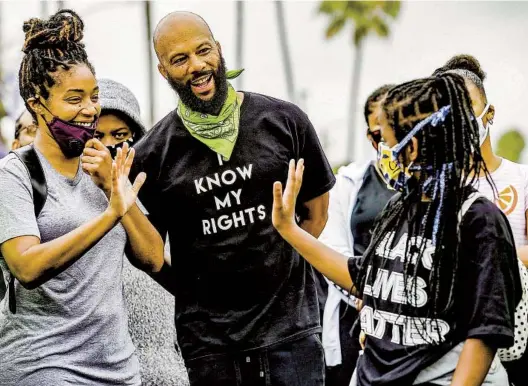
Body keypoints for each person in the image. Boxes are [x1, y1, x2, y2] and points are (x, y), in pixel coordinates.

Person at [272, 73, 521, 386]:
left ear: (412, 147)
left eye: (387, 142)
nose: (383, 153)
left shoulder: (477, 219)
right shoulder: (399, 207)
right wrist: (291, 231)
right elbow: (362, 277)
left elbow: (484, 334)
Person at [130, 11, 335, 386]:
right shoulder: (151, 155)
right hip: (210, 347)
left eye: (203, 51)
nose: (197, 66)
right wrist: (197, 293)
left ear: (219, 50)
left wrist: (278, 275)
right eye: (180, 59)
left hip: (291, 334)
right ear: (163, 71)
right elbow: (151, 256)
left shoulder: (285, 120)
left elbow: (316, 214)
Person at [0, 10, 164, 386]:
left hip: (119, 369)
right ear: (37, 102)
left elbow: (153, 259)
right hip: (43, 365)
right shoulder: (15, 175)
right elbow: (25, 267)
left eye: (93, 96)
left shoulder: (105, 167)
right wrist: (109, 216)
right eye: (74, 99)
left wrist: (111, 187)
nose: (89, 109)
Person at [82, 78, 188, 386]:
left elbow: (159, 262)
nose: (107, 145)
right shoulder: (66, 199)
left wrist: (118, 190)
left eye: (119, 135)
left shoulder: (158, 193)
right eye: (96, 135)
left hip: (162, 367)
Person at [433, 54, 528, 385]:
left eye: (465, 106)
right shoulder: (437, 189)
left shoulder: (522, 178)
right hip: (457, 346)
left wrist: (487, 260)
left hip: (519, 336)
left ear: (490, 113)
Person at [320, 84, 395, 386]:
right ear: (369, 136)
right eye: (379, 135)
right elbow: (332, 250)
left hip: (407, 312)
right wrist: (367, 297)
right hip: (353, 315)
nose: (389, 142)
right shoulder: (348, 183)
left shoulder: (426, 184)